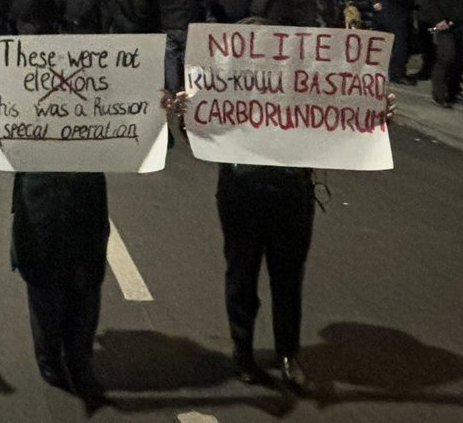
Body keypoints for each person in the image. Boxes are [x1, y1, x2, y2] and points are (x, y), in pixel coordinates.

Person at [169, 27, 398, 396]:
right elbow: (199, 133)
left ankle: (288, 353)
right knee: (242, 275)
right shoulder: (225, 88)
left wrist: (376, 111)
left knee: (288, 278)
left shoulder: (302, 87)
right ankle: (243, 351)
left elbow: (345, 121)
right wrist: (185, 112)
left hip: (292, 194)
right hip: (241, 193)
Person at [0, 101, 109, 405]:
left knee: (86, 289)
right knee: (45, 292)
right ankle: (50, 357)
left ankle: (80, 360)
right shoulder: (24, 79)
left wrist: (156, 111)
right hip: (40, 204)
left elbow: (144, 137)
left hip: (87, 205)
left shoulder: (101, 81)